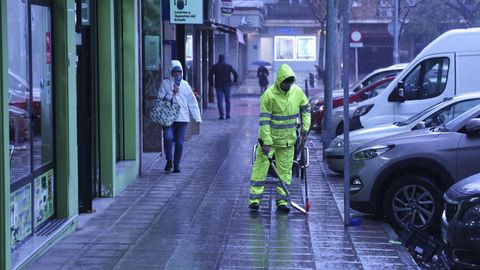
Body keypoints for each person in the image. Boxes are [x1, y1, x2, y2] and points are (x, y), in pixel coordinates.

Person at [248, 64, 311, 214]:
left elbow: (306, 108)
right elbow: (264, 122)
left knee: (285, 172)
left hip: (288, 141)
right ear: (280, 81)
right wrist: (266, 142)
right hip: (270, 141)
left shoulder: (297, 92)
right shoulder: (269, 95)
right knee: (260, 169)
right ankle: (254, 200)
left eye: (290, 82)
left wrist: (305, 127)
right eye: (285, 82)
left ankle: (282, 201)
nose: (288, 85)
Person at [159, 60, 202, 173]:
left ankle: (176, 163)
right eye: (175, 72)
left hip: (182, 118)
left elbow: (192, 102)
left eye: (179, 72)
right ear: (171, 72)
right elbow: (160, 100)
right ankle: (169, 160)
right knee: (167, 137)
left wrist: (197, 117)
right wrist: (171, 92)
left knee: (179, 142)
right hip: (168, 118)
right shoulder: (165, 84)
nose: (178, 74)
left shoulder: (185, 85)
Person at [209, 54, 238, 120]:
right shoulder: (228, 66)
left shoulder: (215, 66)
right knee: (227, 100)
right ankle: (228, 114)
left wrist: (211, 83)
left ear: (218, 59)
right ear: (224, 59)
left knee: (219, 101)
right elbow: (235, 73)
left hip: (218, 85)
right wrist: (234, 81)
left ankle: (221, 115)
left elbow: (210, 75)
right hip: (227, 85)